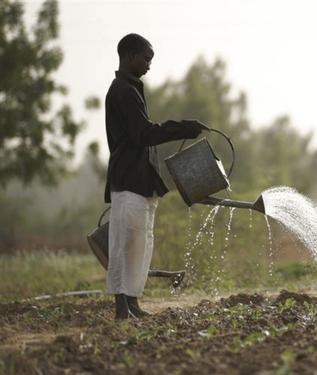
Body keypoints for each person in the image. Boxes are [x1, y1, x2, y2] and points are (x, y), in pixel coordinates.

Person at [104, 33, 209, 320]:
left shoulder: (132, 89)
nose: (150, 65)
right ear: (129, 56)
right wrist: (183, 128)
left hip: (142, 183)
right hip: (128, 182)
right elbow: (144, 134)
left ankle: (133, 304)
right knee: (125, 246)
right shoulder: (123, 91)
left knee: (140, 245)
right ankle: (121, 309)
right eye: (146, 58)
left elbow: (143, 135)